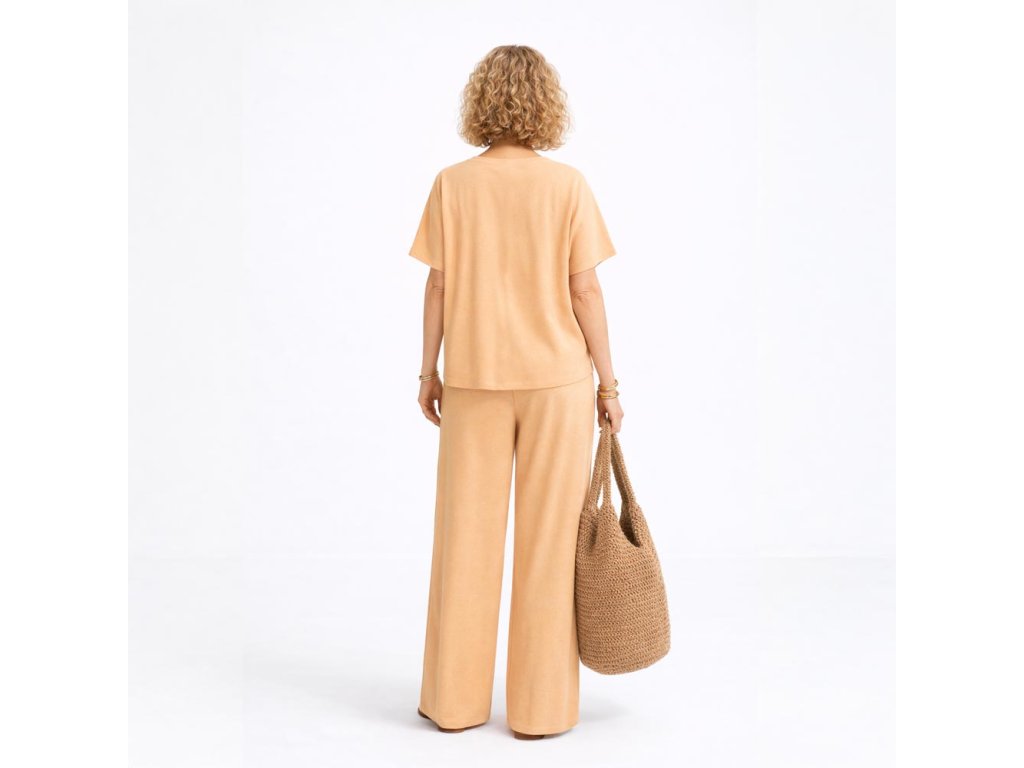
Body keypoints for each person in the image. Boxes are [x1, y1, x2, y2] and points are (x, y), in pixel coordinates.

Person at [408, 44, 623, 741]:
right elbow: (585, 291)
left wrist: (428, 372)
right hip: (557, 384)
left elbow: (437, 285)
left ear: (481, 102)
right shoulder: (567, 186)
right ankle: (541, 710)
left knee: (464, 541)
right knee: (549, 545)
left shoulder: (452, 185)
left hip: (474, 381)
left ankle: (454, 703)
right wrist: (609, 384)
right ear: (545, 105)